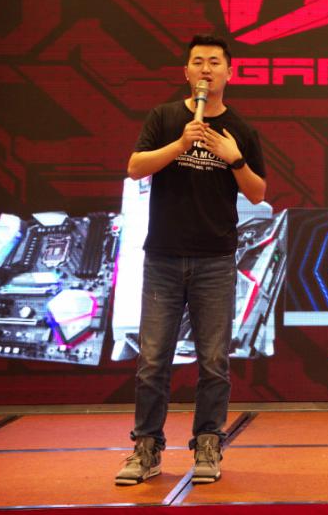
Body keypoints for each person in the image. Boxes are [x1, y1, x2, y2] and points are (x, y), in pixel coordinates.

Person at [115, 34, 266, 486]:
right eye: (198, 62)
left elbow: (258, 192)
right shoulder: (164, 118)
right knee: (152, 360)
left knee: (214, 361)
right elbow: (135, 167)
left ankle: (207, 443)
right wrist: (180, 145)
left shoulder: (240, 129)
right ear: (186, 72)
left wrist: (234, 159)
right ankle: (147, 448)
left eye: (214, 62)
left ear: (229, 73)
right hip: (163, 256)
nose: (206, 70)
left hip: (215, 260)